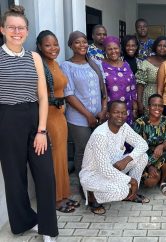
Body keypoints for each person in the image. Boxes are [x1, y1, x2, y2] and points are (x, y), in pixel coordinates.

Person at [0, 5, 58, 241]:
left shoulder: (34, 57)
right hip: (7, 120)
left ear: (26, 30)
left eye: (21, 28)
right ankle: (23, 222)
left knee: (45, 176)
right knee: (14, 178)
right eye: (12, 27)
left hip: (35, 118)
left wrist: (41, 130)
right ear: (2, 29)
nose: (16, 32)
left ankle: (48, 229)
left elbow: (43, 96)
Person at [80, 100, 150, 215]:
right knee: (122, 190)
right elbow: (105, 170)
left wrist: (126, 159)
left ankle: (132, 193)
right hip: (94, 175)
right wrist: (131, 180)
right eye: (116, 112)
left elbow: (143, 144)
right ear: (108, 114)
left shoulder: (124, 127)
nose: (120, 116)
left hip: (115, 167)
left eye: (123, 113)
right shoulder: (100, 135)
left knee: (143, 156)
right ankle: (93, 196)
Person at [36, 30, 80, 213]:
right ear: (39, 46)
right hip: (50, 117)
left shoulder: (54, 63)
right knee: (54, 159)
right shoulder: (39, 65)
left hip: (60, 116)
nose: (53, 48)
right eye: (48, 45)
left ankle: (63, 194)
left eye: (55, 44)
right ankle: (54, 199)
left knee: (61, 158)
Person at [61, 31, 107, 188]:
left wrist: (104, 109)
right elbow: (69, 94)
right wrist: (88, 115)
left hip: (99, 116)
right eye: (77, 42)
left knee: (98, 150)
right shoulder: (66, 66)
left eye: (84, 42)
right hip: (79, 118)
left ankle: (96, 181)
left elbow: (103, 89)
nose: (82, 45)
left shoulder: (94, 63)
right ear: (70, 45)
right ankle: (84, 186)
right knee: (83, 150)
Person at [133, 94, 166, 195]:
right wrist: (149, 166)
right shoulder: (140, 122)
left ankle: (163, 181)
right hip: (143, 157)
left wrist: (161, 146)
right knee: (150, 182)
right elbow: (137, 147)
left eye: (160, 105)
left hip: (159, 155)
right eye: (154, 105)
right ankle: (156, 173)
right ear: (148, 107)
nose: (157, 108)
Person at [101, 35, 138, 126]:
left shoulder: (126, 65)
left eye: (115, 48)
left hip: (127, 108)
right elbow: (101, 91)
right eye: (109, 49)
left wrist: (135, 106)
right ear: (105, 50)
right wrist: (104, 109)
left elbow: (133, 86)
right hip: (111, 110)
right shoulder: (101, 66)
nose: (113, 51)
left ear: (119, 49)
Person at [136, 36, 166, 115]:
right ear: (155, 47)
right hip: (149, 97)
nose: (162, 48)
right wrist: (139, 102)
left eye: (165, 46)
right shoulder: (146, 62)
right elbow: (140, 84)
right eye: (159, 45)